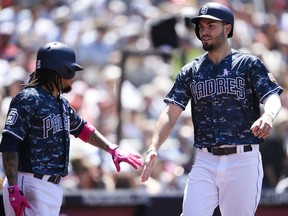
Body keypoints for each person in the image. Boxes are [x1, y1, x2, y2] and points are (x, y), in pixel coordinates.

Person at [140, 2, 283, 216]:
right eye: (201, 26)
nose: (204, 31)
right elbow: (170, 113)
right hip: (205, 160)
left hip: (242, 159)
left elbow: (271, 96)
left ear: (227, 28)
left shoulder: (248, 64)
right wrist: (153, 146)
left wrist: (269, 115)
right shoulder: (191, 70)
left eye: (211, 26)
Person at [0, 41, 143, 216]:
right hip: (29, 183)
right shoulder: (29, 98)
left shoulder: (60, 103)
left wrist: (112, 149)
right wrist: (14, 187)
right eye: (71, 71)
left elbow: (83, 129)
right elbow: (9, 142)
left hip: (50, 186)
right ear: (60, 70)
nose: (73, 77)